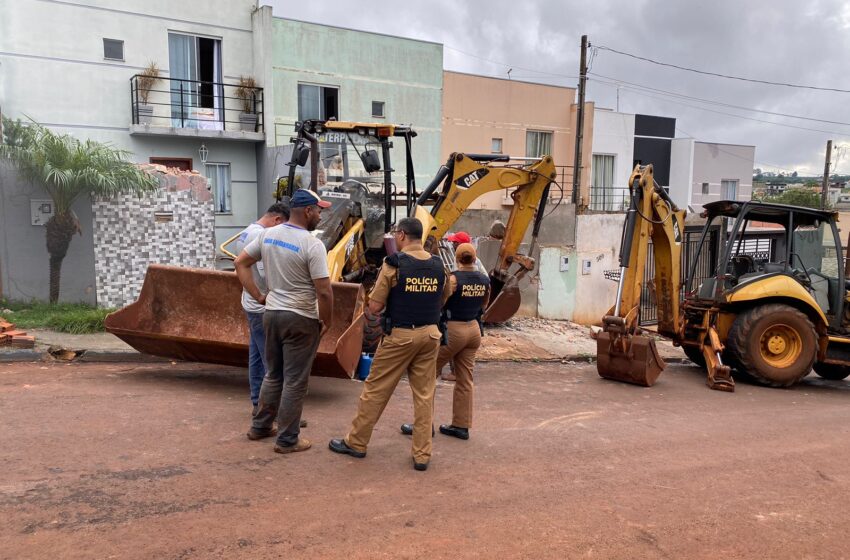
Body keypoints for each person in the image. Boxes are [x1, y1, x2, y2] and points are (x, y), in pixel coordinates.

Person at [328, 217, 449, 471]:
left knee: (376, 389)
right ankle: (422, 455)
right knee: (425, 395)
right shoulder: (439, 265)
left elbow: (375, 305)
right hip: (430, 335)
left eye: (396, 234)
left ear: (402, 235)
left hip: (400, 336)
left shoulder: (394, 264)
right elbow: (442, 297)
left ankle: (357, 443)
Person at [234, 189, 334, 455]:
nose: (321, 216)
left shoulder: (268, 236)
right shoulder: (312, 244)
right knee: (295, 380)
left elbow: (240, 263)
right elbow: (324, 290)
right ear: (308, 211)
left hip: (272, 315)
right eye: (319, 210)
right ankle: (288, 439)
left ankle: (261, 427)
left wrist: (259, 295)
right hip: (300, 317)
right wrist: (327, 321)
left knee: (274, 373)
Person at [401, 243, 489, 441]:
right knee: (465, 378)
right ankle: (461, 426)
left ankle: (423, 426)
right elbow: (484, 304)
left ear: (457, 259)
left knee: (427, 374)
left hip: (453, 329)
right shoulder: (484, 280)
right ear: (474, 259)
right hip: (474, 330)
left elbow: (441, 301)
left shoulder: (454, 279)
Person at [235, 202, 289, 417]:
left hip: (251, 304)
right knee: (272, 363)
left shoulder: (245, 232)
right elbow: (263, 273)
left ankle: (258, 404)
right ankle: (274, 411)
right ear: (277, 220)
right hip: (261, 306)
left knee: (257, 358)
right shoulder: (259, 237)